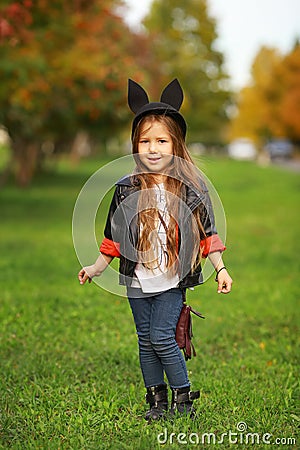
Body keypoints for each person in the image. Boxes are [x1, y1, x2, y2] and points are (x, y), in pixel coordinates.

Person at [78, 79, 233, 421]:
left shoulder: (191, 189)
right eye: (144, 141)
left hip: (170, 280)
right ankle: (157, 402)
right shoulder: (125, 189)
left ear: (176, 144)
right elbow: (114, 237)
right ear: (135, 146)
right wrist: (96, 267)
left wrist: (221, 269)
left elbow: (208, 235)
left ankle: (183, 399)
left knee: (162, 336)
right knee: (144, 340)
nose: (152, 148)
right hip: (137, 281)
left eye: (161, 140)